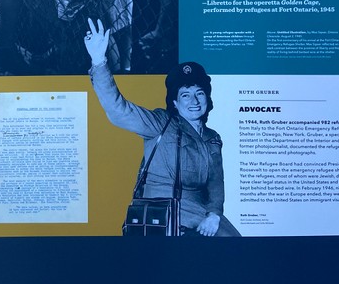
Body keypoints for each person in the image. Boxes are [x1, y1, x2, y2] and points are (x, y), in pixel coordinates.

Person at [83, 19, 240, 237]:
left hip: (199, 211)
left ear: (207, 98)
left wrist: (214, 214)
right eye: (185, 94)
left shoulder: (212, 138)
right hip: (164, 211)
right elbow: (118, 109)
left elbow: (215, 183)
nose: (193, 101)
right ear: (174, 102)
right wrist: (99, 61)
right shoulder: (160, 124)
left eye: (199, 93)